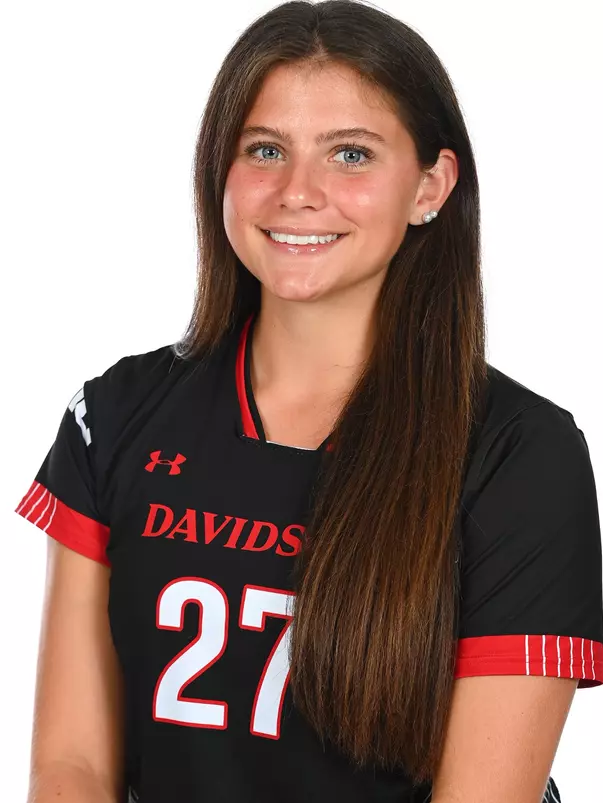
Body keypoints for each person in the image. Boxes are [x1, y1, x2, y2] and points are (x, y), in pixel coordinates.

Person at [15, 1, 602, 801]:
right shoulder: (114, 415)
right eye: (265, 150)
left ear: (430, 185)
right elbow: (71, 765)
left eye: (350, 155)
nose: (298, 192)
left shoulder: (518, 453)